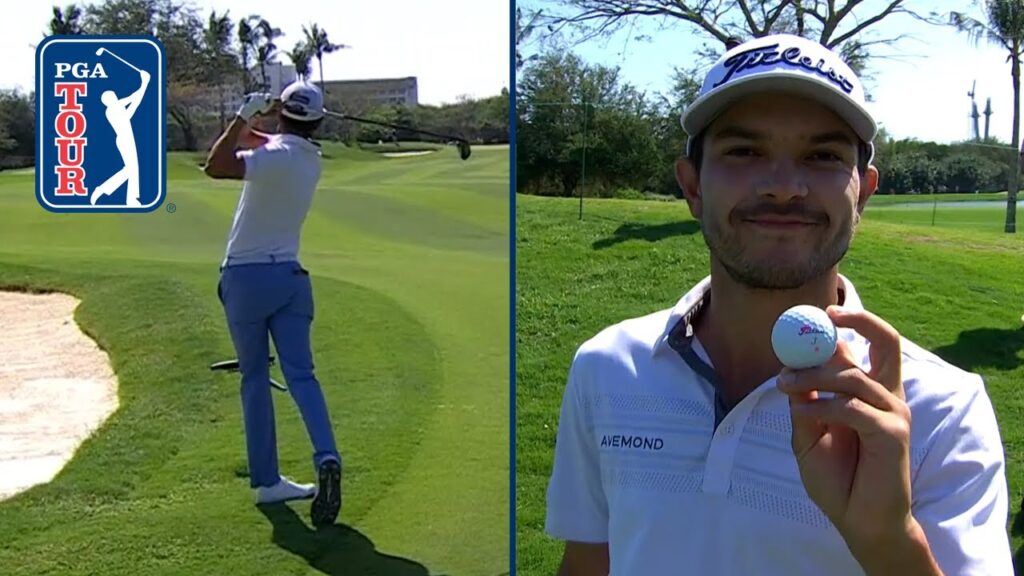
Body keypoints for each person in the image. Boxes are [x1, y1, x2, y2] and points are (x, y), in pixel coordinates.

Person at [544, 34, 1012, 575]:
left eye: (822, 156)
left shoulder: (944, 410)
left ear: (863, 193)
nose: (785, 187)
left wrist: (888, 540)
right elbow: (587, 562)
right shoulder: (607, 366)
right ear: (692, 187)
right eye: (744, 151)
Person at [203, 81, 342, 527]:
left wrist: (246, 113)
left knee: (255, 379)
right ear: (316, 123)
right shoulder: (307, 159)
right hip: (290, 279)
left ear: (282, 114)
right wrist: (264, 120)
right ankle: (327, 456)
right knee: (302, 374)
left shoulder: (275, 155)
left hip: (245, 277)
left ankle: (267, 482)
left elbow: (217, 165)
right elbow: (271, 142)